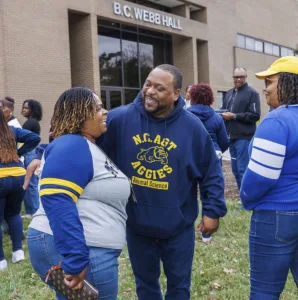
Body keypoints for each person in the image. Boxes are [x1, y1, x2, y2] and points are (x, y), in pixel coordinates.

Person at [25, 65, 227, 299]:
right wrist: (41, 153)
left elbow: (211, 171)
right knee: (146, 285)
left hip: (177, 226)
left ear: (176, 94)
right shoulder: (120, 119)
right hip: (137, 224)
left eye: (159, 88)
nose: (149, 91)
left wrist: (213, 210)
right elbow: (72, 134)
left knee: (180, 287)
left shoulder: (193, 128)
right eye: (147, 84)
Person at [27, 87, 131, 300]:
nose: (105, 112)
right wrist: (75, 257)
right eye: (98, 108)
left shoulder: (84, 145)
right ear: (79, 113)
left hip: (91, 247)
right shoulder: (72, 145)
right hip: (83, 248)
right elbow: (57, 198)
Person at [240, 56, 298, 299]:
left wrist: (245, 197)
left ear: (288, 83)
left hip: (276, 217)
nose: (265, 88)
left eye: (270, 81)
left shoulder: (278, 120)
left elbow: (262, 176)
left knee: (265, 291)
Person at [188, 83, 229, 242]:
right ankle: (206, 233)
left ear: (192, 97)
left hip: (191, 156)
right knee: (209, 192)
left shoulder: (186, 116)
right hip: (213, 155)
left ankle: (187, 226)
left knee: (186, 191)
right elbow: (224, 141)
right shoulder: (216, 118)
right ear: (210, 98)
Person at [0, 109, 40, 270]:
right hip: (19, 176)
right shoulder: (12, 130)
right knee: (14, 214)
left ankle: (1, 260)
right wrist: (18, 153)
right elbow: (34, 138)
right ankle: (18, 252)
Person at [221, 67, 260, 190]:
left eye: (240, 77)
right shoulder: (229, 93)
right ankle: (242, 198)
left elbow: (255, 115)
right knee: (235, 171)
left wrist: (235, 116)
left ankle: (247, 200)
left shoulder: (252, 93)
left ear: (246, 77)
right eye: (235, 77)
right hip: (230, 138)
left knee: (243, 170)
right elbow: (224, 110)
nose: (238, 79)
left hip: (244, 138)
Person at [22, 99, 43, 217]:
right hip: (31, 153)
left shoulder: (30, 123)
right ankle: (31, 210)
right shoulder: (33, 122)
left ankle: (34, 211)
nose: (24, 110)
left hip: (30, 153)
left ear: (32, 110)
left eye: (26, 108)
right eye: (23, 108)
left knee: (31, 182)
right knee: (29, 182)